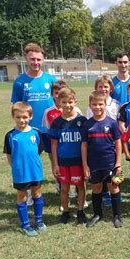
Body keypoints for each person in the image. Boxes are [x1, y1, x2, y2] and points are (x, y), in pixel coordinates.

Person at [3, 102, 46, 237]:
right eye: (18, 117)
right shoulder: (10, 135)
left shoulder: (36, 133)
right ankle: (25, 225)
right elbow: (9, 154)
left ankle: (39, 221)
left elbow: (38, 150)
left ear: (30, 116)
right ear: (13, 117)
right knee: (22, 197)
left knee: (37, 194)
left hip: (35, 171)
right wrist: (16, 167)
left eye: (25, 117)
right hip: (20, 172)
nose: (22, 120)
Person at [81, 91, 123, 228]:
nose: (97, 107)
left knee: (113, 187)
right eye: (94, 104)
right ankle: (97, 214)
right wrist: (85, 165)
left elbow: (118, 143)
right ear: (90, 105)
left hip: (110, 162)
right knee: (96, 188)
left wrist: (118, 163)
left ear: (105, 105)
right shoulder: (87, 125)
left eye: (100, 104)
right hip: (94, 163)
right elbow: (84, 146)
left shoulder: (112, 123)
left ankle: (117, 215)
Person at [49, 88, 88, 224]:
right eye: (64, 102)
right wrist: (55, 164)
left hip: (78, 161)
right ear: (59, 102)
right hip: (63, 162)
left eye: (70, 102)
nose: (67, 105)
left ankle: (81, 210)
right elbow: (53, 145)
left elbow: (85, 143)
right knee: (64, 188)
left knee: (80, 186)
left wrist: (85, 164)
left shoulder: (82, 121)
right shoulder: (56, 123)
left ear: (75, 101)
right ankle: (65, 211)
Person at [86, 75, 121, 207]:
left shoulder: (116, 104)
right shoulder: (91, 106)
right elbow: (90, 124)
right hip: (97, 142)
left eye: (105, 86)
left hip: (111, 142)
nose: (103, 89)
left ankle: (113, 193)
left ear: (110, 88)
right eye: (100, 86)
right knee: (99, 173)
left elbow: (117, 123)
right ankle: (104, 194)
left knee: (112, 173)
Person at [11, 43, 57, 134]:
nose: (36, 62)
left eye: (39, 59)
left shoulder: (51, 80)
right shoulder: (19, 82)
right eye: (32, 59)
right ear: (26, 59)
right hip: (29, 130)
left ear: (43, 60)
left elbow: (60, 102)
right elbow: (16, 107)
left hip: (51, 128)